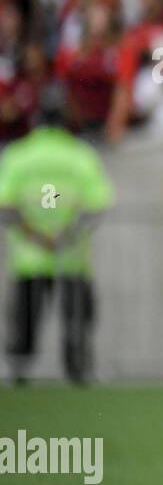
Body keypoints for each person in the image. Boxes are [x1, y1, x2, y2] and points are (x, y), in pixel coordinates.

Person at [0, 90, 113, 384]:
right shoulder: (81, 155)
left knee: (25, 322)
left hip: (29, 256)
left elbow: (6, 205)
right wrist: (64, 236)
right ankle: (79, 372)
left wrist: (36, 236)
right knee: (76, 320)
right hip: (71, 255)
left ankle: (18, 374)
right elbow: (96, 206)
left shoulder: (18, 155)